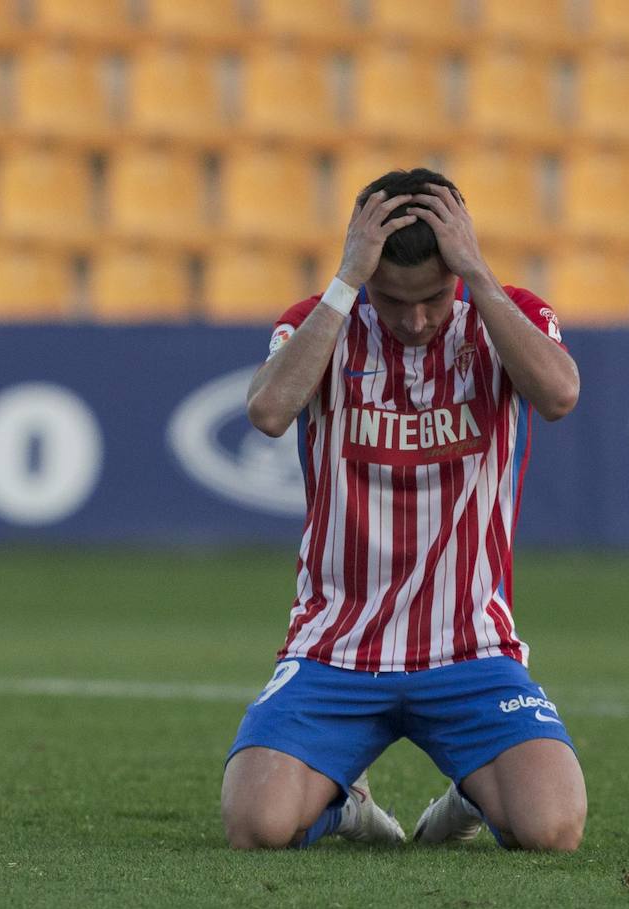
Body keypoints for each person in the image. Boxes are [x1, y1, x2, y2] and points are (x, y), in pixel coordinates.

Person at [221, 168, 586, 851]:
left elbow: (560, 395)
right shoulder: (319, 323)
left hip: (470, 647)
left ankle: (471, 792)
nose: (416, 321)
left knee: (554, 829)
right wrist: (346, 283)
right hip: (336, 647)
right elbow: (269, 411)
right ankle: (346, 802)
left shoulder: (508, 316)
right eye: (393, 300)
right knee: (255, 825)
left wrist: (476, 273)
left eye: (433, 298)